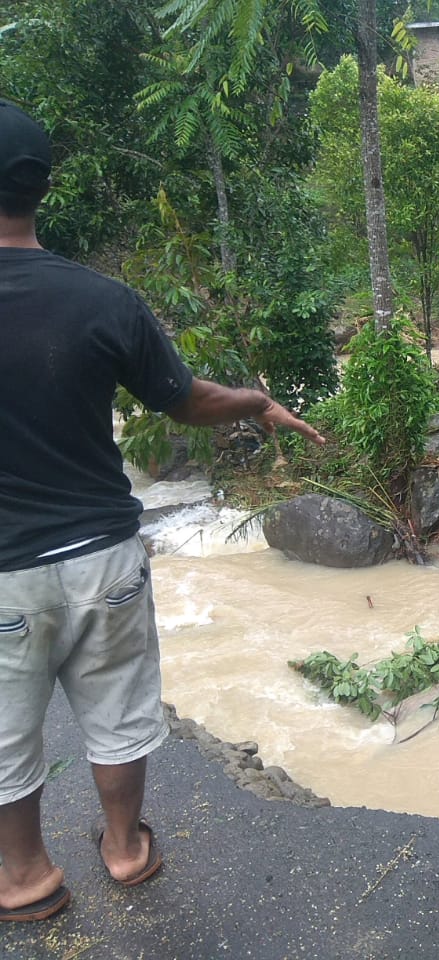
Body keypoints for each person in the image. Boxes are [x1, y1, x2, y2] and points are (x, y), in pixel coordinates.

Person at [0, 99, 324, 923]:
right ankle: (123, 848)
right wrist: (258, 403)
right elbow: (186, 402)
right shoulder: (103, 300)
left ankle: (25, 875)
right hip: (105, 553)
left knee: (6, 730)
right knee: (118, 711)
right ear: (41, 190)